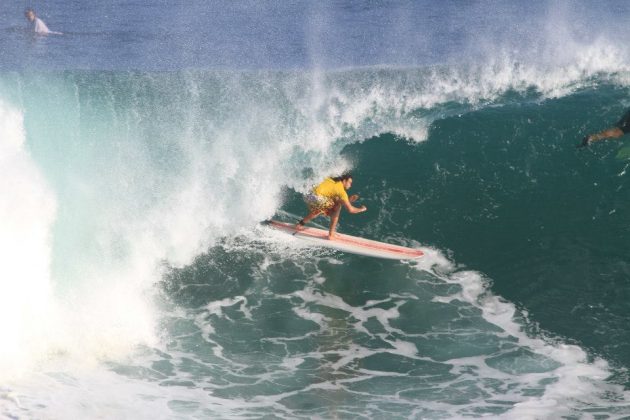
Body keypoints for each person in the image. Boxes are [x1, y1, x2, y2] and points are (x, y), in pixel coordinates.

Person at [296, 173, 367, 240]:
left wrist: (348, 201)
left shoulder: (330, 178)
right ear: (344, 181)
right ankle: (331, 234)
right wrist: (362, 209)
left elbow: (335, 201)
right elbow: (351, 210)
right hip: (317, 198)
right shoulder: (341, 191)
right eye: (349, 182)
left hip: (307, 195)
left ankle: (300, 224)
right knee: (337, 207)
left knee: (320, 209)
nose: (350, 185)